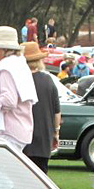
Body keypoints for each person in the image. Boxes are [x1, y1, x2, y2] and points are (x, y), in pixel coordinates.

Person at [21, 41, 60, 173]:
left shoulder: (20, 81)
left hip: (23, 136)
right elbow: (56, 112)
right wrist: (56, 132)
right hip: (44, 137)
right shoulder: (48, 80)